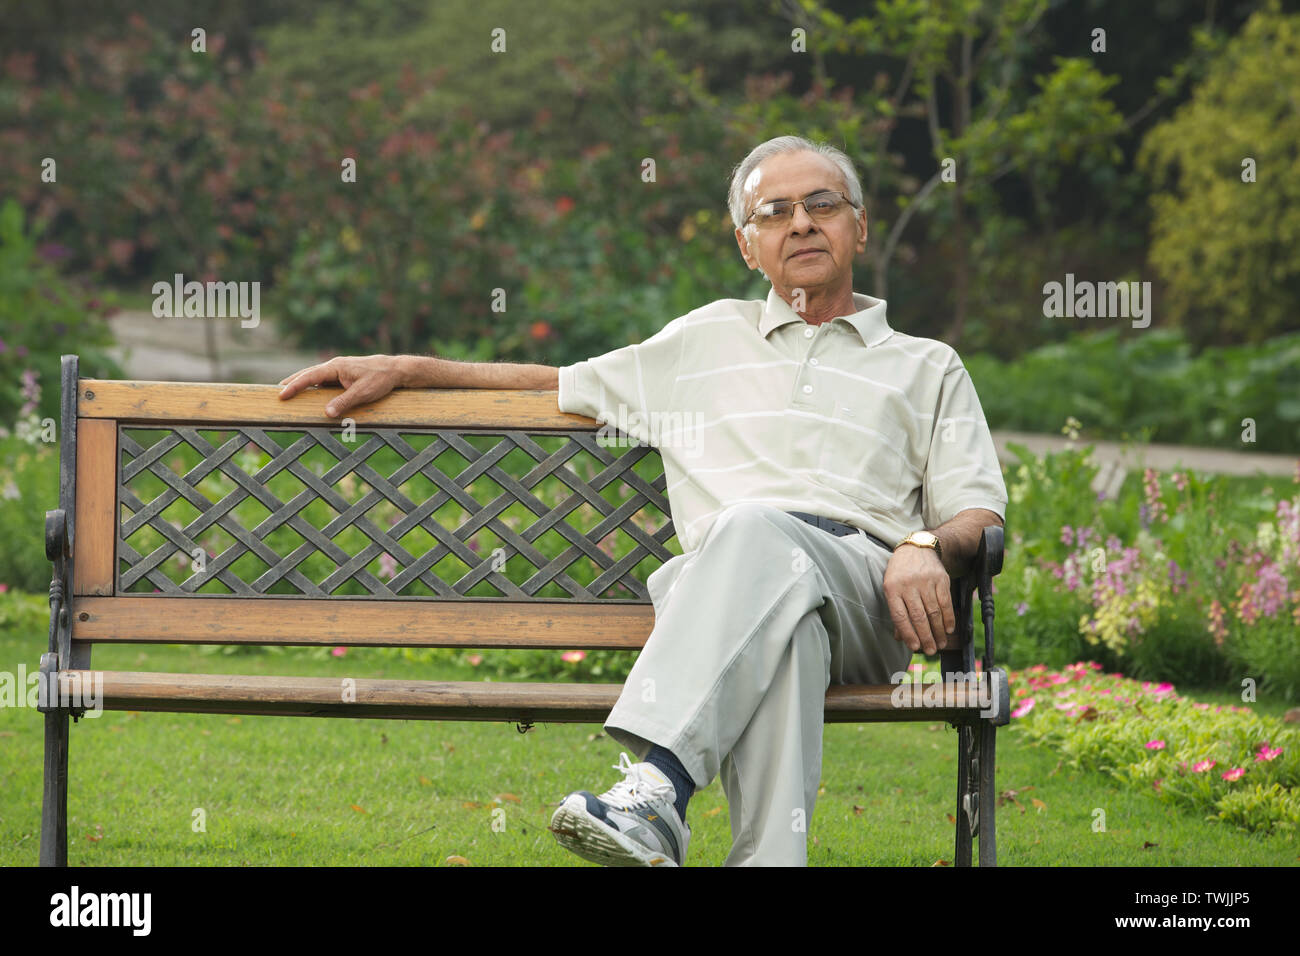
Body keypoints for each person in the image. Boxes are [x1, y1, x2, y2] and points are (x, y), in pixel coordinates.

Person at [277, 135, 1007, 867]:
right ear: (748, 247)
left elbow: (978, 510)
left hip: (862, 599)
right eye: (775, 211)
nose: (802, 223)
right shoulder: (702, 340)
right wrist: (411, 368)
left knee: (758, 530)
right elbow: (549, 382)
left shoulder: (926, 365)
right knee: (786, 630)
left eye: (822, 204)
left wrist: (923, 546)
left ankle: (659, 786)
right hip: (745, 601)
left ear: (859, 224)